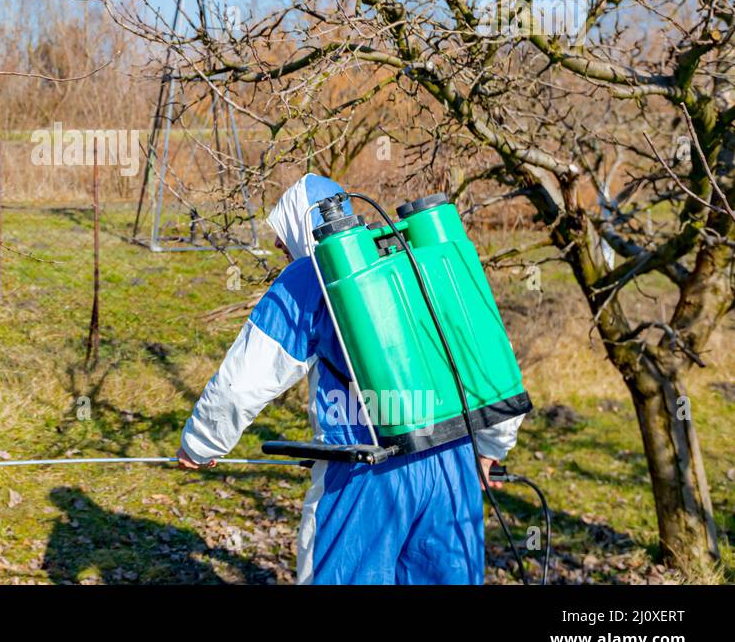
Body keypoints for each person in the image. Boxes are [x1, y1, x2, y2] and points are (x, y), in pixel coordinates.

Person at [176, 173, 525, 584]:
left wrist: (199, 445)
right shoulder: (418, 260)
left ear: (302, 227)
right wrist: (490, 448)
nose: (276, 245)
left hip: (362, 474)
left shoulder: (308, 278)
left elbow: (240, 387)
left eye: (281, 233)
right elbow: (483, 357)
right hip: (452, 465)